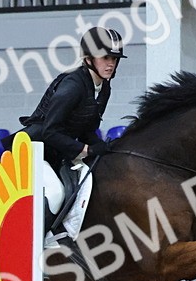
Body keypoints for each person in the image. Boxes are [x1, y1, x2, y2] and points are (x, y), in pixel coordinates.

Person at [15, 26, 124, 237]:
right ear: (89, 58)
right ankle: (38, 241)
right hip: (32, 150)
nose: (111, 63)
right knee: (56, 193)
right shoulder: (73, 85)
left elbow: (87, 128)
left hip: (57, 151)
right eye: (105, 58)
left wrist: (106, 148)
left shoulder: (103, 87)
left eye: (115, 59)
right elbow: (49, 131)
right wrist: (86, 149)